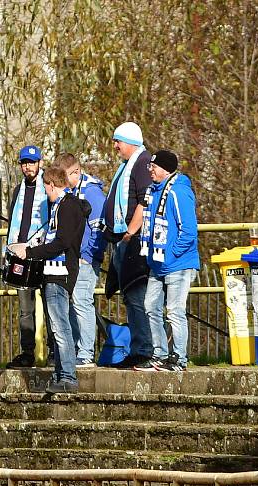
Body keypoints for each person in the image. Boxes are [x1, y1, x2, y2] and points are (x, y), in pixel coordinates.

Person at [8, 165, 89, 393]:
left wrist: (31, 253)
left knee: (61, 328)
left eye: (46, 188)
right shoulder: (59, 207)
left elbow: (62, 242)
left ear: (52, 184)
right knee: (56, 327)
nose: (45, 193)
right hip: (51, 273)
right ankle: (60, 374)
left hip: (59, 274)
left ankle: (68, 377)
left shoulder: (67, 206)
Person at [134, 150, 199, 372]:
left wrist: (171, 253)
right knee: (150, 306)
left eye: (154, 167)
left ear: (165, 169)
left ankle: (179, 357)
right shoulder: (153, 192)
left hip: (178, 263)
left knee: (174, 311)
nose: (150, 170)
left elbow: (189, 232)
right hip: (158, 264)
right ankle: (159, 354)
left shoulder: (179, 192)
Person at [102, 122, 153, 368]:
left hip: (132, 241)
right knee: (130, 297)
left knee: (137, 296)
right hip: (123, 240)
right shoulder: (127, 165)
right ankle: (138, 347)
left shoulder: (141, 164)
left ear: (129, 141)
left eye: (117, 141)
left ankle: (143, 350)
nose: (115, 147)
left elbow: (145, 201)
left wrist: (130, 232)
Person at [53, 152, 106, 368]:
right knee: (73, 305)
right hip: (71, 259)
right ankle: (76, 349)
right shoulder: (72, 192)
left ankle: (85, 352)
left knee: (83, 303)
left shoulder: (92, 194)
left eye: (64, 177)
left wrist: (87, 256)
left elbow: (99, 230)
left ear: (76, 172)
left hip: (84, 259)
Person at [5, 145, 53, 369]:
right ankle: (27, 352)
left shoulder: (48, 188)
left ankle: (54, 351)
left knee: (52, 305)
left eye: (32, 162)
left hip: (43, 253)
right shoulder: (18, 190)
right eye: (24, 163)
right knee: (25, 309)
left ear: (40, 163)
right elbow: (13, 223)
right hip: (20, 254)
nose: (28, 167)